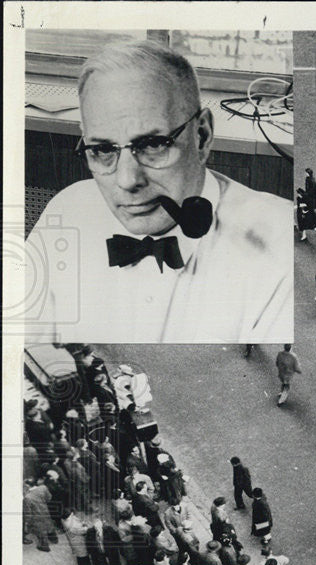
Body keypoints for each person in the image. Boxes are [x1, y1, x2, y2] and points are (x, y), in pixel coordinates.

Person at [25, 39, 292, 344]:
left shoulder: (283, 247)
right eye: (102, 150)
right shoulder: (67, 211)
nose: (127, 180)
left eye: (152, 144)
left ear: (202, 136)